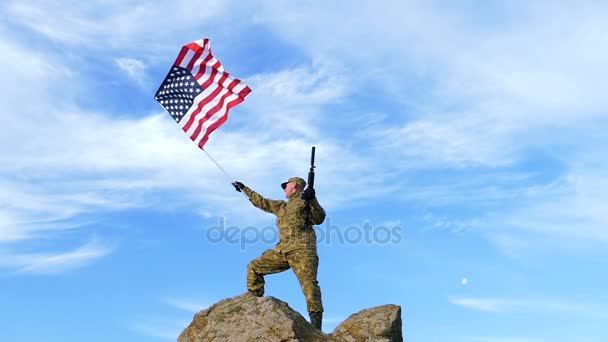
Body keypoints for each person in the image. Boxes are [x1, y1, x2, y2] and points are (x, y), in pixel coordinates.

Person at [232, 177, 325, 330]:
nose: (284, 189)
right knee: (254, 267)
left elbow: (319, 218)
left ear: (294, 186)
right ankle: (255, 305)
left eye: (286, 186)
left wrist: (312, 199)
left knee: (309, 285)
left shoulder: (306, 202)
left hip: (302, 251)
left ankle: (316, 325)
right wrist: (244, 189)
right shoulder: (282, 206)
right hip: (282, 251)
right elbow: (262, 202)